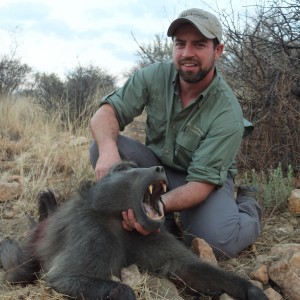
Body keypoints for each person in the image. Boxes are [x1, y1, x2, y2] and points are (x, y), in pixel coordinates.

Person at [89, 8, 262, 258]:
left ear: (218, 51)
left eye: (199, 44)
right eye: (180, 44)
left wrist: (152, 206)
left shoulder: (227, 112)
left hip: (203, 181)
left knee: (217, 244)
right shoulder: (154, 75)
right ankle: (164, 222)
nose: (187, 53)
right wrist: (107, 152)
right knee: (99, 148)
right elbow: (106, 113)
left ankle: (248, 205)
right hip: (158, 168)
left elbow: (201, 185)